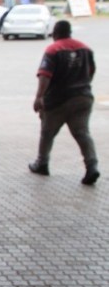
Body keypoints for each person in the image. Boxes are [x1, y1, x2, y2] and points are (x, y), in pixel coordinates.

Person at [28, 20, 99, 185]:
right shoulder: (85, 49)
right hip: (83, 97)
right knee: (82, 133)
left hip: (58, 99)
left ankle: (42, 163)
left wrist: (39, 97)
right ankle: (92, 166)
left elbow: (45, 75)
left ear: (55, 33)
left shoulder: (53, 49)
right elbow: (91, 73)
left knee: (47, 132)